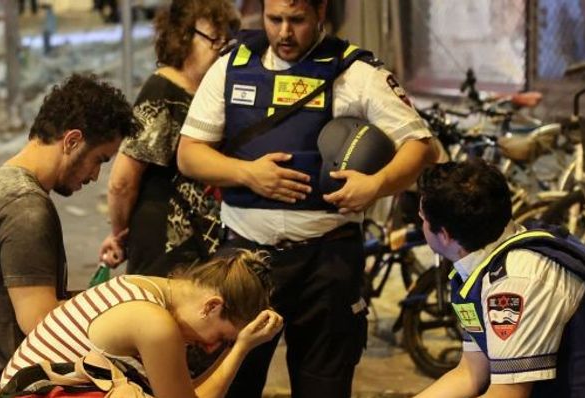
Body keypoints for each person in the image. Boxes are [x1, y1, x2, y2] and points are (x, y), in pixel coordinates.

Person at [175, 0, 441, 396]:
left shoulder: (356, 71)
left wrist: (376, 184)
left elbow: (421, 146)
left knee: (324, 387)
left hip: (327, 263)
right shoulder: (232, 66)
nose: (284, 32)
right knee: (231, 383)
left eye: (297, 20)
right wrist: (248, 173)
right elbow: (189, 153)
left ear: (320, 12)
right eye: (275, 19)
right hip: (243, 261)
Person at [413, 159, 585, 398]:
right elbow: (471, 373)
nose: (420, 223)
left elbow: (507, 395)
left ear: (445, 235)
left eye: (422, 218)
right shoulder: (485, 261)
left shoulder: (515, 281)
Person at [0, 74, 140, 390]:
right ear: (72, 141)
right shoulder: (27, 209)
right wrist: (128, 311)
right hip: (14, 386)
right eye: (98, 160)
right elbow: (39, 321)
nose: (95, 176)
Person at [0, 250, 284, 398]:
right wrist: (240, 349)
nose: (211, 347)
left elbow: (182, 391)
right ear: (211, 306)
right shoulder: (154, 323)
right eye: (222, 337)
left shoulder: (141, 285)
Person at [99, 0, 240, 276]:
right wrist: (120, 232)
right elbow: (122, 182)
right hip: (163, 247)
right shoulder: (162, 91)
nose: (220, 50)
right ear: (183, 36)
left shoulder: (207, 94)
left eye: (226, 42)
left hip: (203, 247)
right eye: (213, 40)